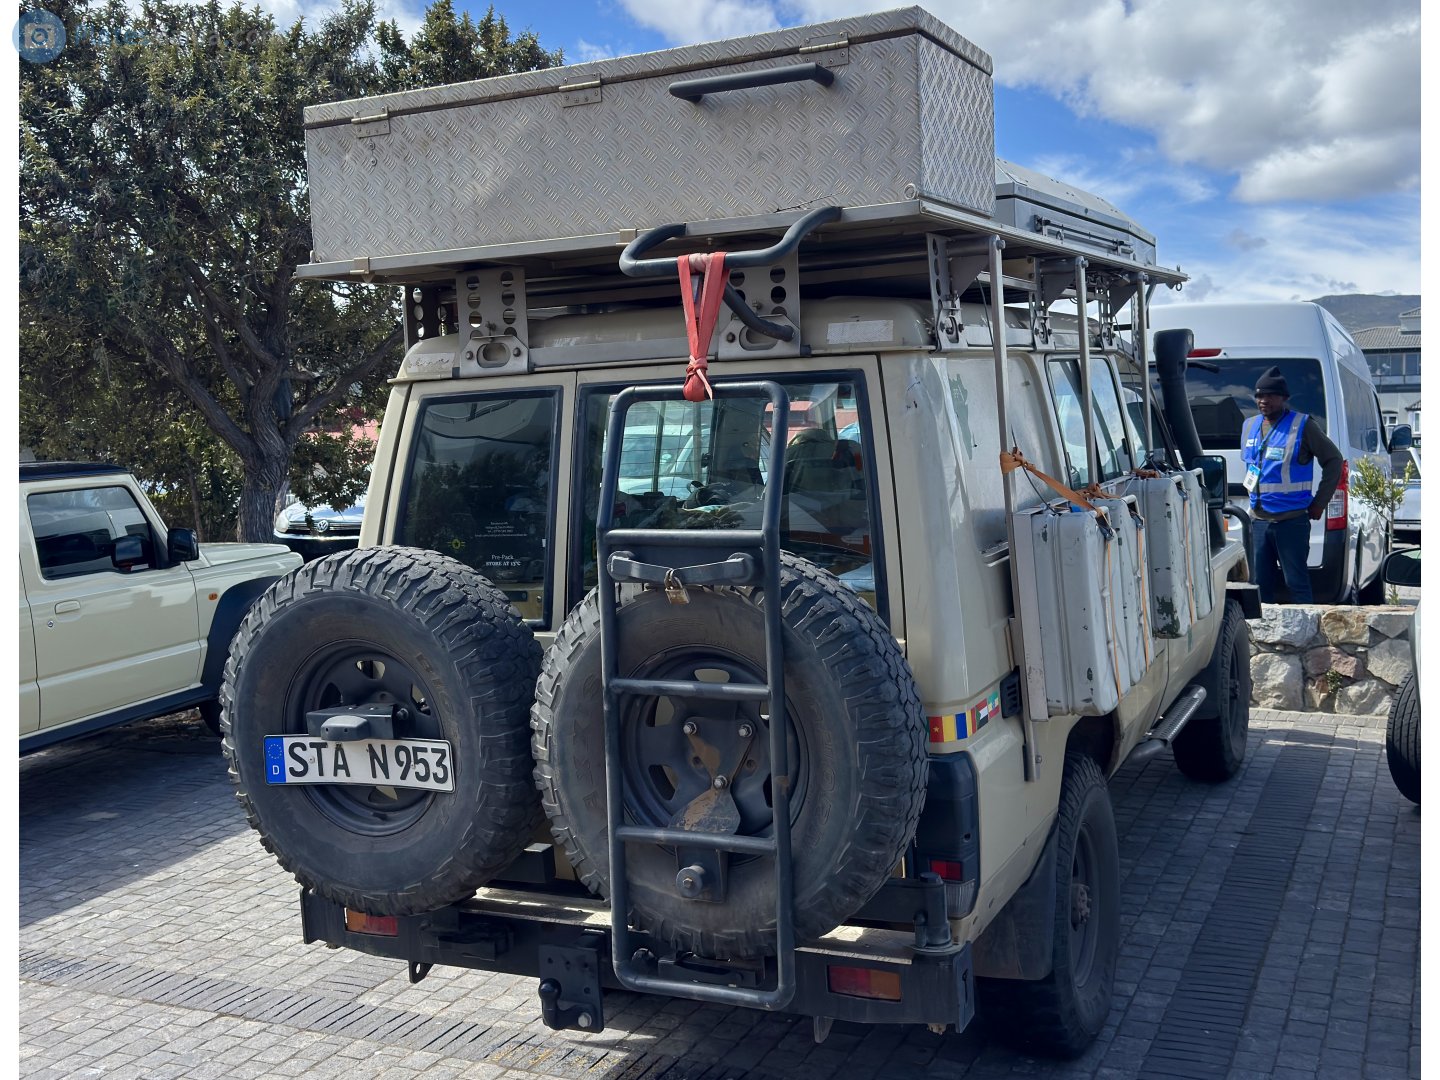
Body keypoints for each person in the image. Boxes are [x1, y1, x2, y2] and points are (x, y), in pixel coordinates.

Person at [1241, 366, 1343, 603]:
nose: (1264, 400)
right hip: (1258, 522)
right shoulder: (1249, 426)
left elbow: (1334, 460)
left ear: (1284, 399)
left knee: (1296, 583)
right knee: (1258, 584)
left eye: (1270, 396)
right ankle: (1260, 637)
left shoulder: (1302, 425)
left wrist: (1320, 502)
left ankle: (1304, 637)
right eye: (1259, 395)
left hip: (1291, 521)